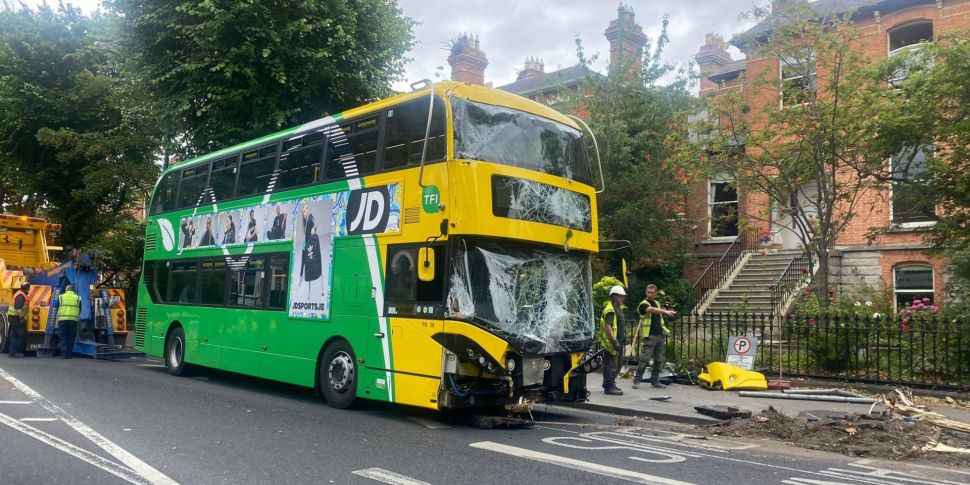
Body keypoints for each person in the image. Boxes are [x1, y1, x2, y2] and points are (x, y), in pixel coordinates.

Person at [633, 284, 675, 389]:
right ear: (646, 292)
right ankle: (637, 380)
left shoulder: (657, 303)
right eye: (648, 292)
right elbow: (650, 310)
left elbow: (658, 317)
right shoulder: (643, 304)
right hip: (649, 336)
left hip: (659, 335)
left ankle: (655, 380)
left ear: (656, 293)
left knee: (658, 360)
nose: (650, 294)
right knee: (644, 359)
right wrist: (665, 311)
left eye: (652, 292)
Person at [597, 285, 626, 395]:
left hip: (619, 342)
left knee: (618, 364)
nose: (623, 299)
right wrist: (615, 341)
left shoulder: (618, 308)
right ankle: (609, 387)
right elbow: (608, 327)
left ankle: (609, 383)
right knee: (611, 365)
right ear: (614, 297)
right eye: (620, 296)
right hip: (612, 344)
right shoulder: (610, 309)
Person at [56, 284, 81, 359]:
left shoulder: (61, 297)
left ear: (66, 290)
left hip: (62, 319)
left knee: (63, 336)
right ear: (73, 290)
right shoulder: (77, 298)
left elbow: (57, 307)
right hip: (73, 320)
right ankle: (69, 353)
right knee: (71, 336)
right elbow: (80, 309)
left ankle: (64, 354)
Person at [7, 283, 29, 357]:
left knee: (15, 335)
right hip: (16, 318)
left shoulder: (20, 294)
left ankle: (12, 352)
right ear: (28, 288)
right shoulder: (21, 296)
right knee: (22, 334)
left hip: (13, 317)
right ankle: (17, 351)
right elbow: (18, 307)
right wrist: (22, 317)